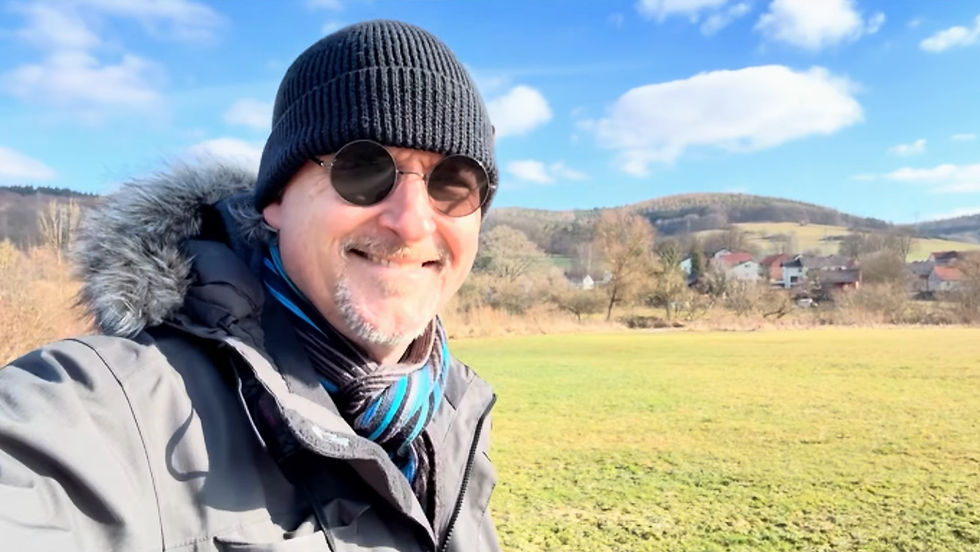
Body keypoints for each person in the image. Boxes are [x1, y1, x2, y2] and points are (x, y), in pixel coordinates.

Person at [0, 19, 500, 552]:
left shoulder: (452, 412)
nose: (413, 223)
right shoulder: (115, 408)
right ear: (277, 201)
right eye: (362, 170)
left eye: (452, 184)